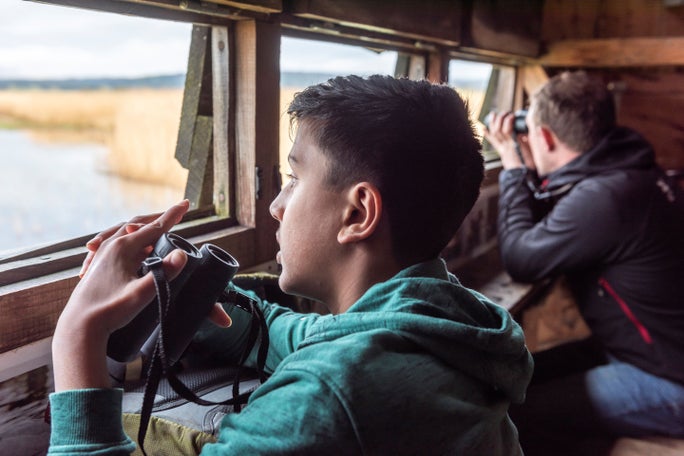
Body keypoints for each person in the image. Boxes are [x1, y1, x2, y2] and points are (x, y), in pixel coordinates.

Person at [47, 75, 533, 455]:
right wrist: (193, 301)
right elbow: (302, 335)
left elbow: (331, 367)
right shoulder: (446, 317)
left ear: (357, 213)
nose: (276, 206)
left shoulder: (329, 396)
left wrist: (76, 340)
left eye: (294, 178)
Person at [485, 70, 684, 454]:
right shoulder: (629, 172)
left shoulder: (608, 195)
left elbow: (522, 260)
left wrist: (511, 166)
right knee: (515, 379)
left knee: (515, 418)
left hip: (668, 376)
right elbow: (560, 209)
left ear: (543, 136)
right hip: (646, 350)